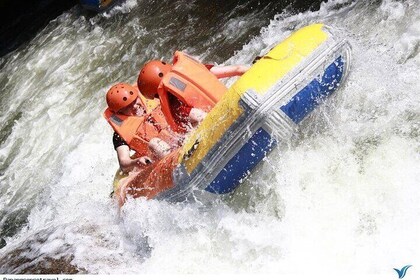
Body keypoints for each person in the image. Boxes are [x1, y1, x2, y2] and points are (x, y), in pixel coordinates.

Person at [137, 51, 250, 134]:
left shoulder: (176, 108)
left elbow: (201, 117)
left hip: (226, 124)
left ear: (157, 95)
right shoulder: (193, 73)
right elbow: (238, 69)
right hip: (236, 107)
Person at [103, 82, 179, 174]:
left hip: (177, 138)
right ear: (120, 113)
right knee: (154, 143)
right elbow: (124, 162)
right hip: (156, 156)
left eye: (134, 101)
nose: (135, 106)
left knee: (194, 114)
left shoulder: (155, 100)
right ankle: (178, 162)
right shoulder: (119, 135)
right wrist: (135, 162)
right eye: (128, 107)